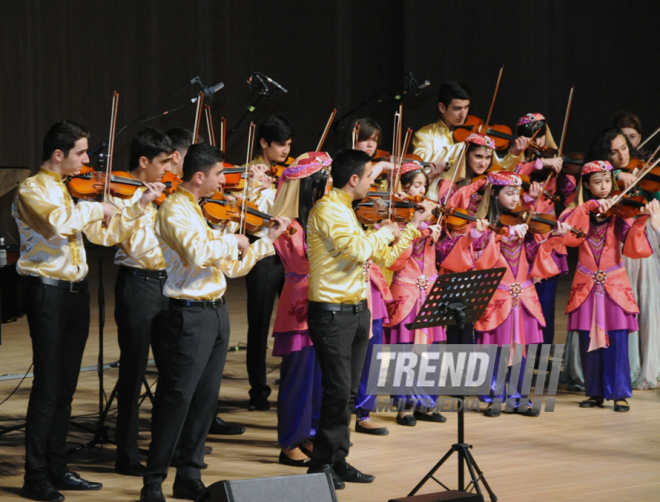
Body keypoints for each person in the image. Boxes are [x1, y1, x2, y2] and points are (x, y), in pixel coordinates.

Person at [13, 121, 163, 502]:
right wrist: (97, 206)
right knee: (47, 386)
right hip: (46, 293)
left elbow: (104, 236)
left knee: (65, 387)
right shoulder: (31, 189)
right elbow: (55, 227)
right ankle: (35, 475)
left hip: (75, 294)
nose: (87, 160)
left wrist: (137, 208)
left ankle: (57, 466)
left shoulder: (71, 191)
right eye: (81, 153)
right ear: (59, 154)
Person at [140, 144, 290, 502]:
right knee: (177, 399)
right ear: (199, 177)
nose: (225, 180)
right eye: (220, 174)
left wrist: (265, 241)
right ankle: (152, 482)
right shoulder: (174, 210)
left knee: (206, 401)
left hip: (215, 312)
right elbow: (197, 252)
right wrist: (231, 238)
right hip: (187, 314)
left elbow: (232, 267)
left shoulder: (199, 211)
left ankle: (188, 476)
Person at [305, 149, 433, 489]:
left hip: (358, 311)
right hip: (331, 313)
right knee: (336, 391)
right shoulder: (328, 210)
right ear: (353, 180)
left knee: (348, 394)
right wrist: (385, 230)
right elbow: (359, 250)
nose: (373, 186)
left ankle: (338, 460)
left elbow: (386, 258)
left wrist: (411, 228)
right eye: (371, 179)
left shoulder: (350, 211)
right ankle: (319, 467)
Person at [442, 170, 570, 417]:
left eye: (516, 193)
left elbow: (536, 256)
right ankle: (494, 397)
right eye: (508, 193)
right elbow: (475, 262)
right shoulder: (484, 227)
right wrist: (491, 237)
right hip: (496, 297)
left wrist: (553, 237)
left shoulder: (525, 222)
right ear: (495, 195)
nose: (514, 198)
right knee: (494, 347)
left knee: (522, 347)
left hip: (523, 296)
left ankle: (521, 397)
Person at [558, 160, 654, 411]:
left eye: (607, 182)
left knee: (617, 340)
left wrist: (641, 222)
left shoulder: (619, 215)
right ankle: (595, 392)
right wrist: (588, 207)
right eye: (597, 182)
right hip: (586, 285)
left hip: (614, 285)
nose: (603, 187)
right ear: (587, 186)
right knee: (587, 340)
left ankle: (619, 393)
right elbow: (568, 236)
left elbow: (634, 247)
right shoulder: (577, 213)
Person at [111, 128, 173, 476]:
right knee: (133, 371)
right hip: (137, 284)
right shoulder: (121, 195)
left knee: (171, 372)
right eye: (162, 162)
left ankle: (164, 449)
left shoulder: (166, 192)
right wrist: (141, 203)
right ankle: (127, 453)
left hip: (168, 285)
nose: (167, 169)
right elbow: (111, 236)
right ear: (143, 161)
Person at [269, 153, 331, 466]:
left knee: (319, 377)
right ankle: (290, 441)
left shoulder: (318, 218)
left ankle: (309, 434)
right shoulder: (288, 225)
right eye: (324, 183)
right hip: (298, 301)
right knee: (298, 378)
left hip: (323, 299)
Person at [587, 128, 660, 390]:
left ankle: (646, 364)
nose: (621, 155)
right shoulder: (604, 175)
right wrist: (618, 174)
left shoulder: (643, 172)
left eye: (624, 148)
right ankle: (621, 368)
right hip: (616, 248)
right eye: (613, 151)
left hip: (642, 241)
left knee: (646, 299)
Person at [383, 163, 447, 426]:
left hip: (429, 287)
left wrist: (437, 235)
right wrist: (415, 229)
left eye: (424, 185)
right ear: (404, 187)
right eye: (417, 185)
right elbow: (394, 261)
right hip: (406, 289)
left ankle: (426, 403)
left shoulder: (430, 216)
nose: (422, 190)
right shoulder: (394, 218)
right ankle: (403, 406)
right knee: (404, 350)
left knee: (430, 350)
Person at [243, 115, 293, 411]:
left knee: (291, 320)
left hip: (288, 254)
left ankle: (290, 383)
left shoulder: (289, 171)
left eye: (288, 145)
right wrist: (255, 188)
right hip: (262, 253)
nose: (286, 151)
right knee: (258, 324)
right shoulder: (249, 174)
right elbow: (246, 220)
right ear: (264, 143)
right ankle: (257, 391)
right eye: (280, 145)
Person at [412, 81, 471, 201]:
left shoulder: (471, 131)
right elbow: (420, 159)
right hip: (434, 199)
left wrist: (512, 155)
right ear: (442, 107)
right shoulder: (425, 134)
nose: (463, 114)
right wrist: (461, 147)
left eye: (466, 107)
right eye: (457, 108)